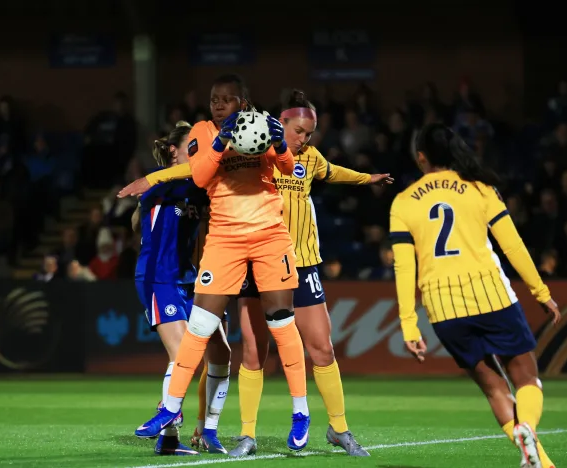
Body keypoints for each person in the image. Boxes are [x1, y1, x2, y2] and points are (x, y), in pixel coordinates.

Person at [120, 90, 391, 457]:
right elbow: (196, 169)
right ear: (277, 125)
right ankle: (243, 434)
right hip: (248, 257)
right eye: (299, 131)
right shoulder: (252, 147)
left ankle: (338, 428)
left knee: (322, 348)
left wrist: (365, 178)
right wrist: (156, 178)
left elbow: (334, 173)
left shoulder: (308, 159)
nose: (303, 139)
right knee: (250, 350)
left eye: (309, 134)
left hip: (300, 259)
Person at [129, 74, 313, 453]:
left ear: (243, 102)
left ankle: (301, 412)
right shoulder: (201, 130)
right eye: (215, 98)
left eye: (227, 99)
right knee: (200, 327)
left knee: (282, 323)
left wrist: (279, 142)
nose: (218, 104)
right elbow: (199, 173)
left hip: (268, 235)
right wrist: (220, 138)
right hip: (225, 240)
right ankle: (170, 408)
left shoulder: (261, 125)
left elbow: (286, 167)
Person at [389, 123, 561, 468]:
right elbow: (512, 245)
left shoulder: (403, 202)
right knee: (526, 377)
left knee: (494, 388)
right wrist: (540, 291)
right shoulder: (480, 189)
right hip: (491, 295)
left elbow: (404, 269)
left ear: (421, 157)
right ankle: (527, 428)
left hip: (443, 309)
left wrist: (409, 325)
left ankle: (538, 459)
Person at [130, 122, 231, 455]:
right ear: (174, 151)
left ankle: (182, 436)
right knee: (183, 353)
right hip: (158, 277)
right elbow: (142, 210)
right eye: (192, 145)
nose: (199, 151)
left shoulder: (194, 186)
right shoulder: (162, 184)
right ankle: (168, 417)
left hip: (187, 277)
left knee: (214, 352)